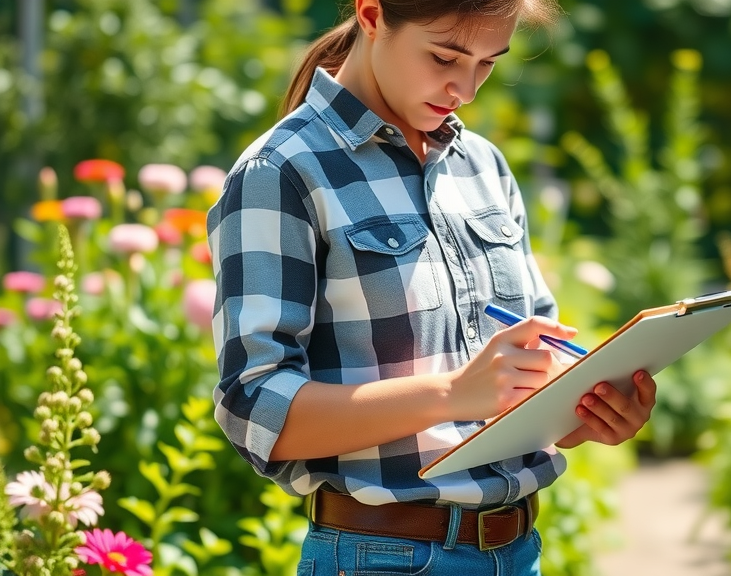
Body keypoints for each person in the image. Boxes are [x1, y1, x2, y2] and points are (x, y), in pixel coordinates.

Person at [206, 0, 658, 573]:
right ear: (372, 15)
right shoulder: (281, 171)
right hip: (380, 558)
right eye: (445, 57)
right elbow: (253, 406)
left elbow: (533, 371)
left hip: (519, 554)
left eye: (488, 63)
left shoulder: (482, 165)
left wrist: (589, 409)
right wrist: (452, 394)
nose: (465, 89)